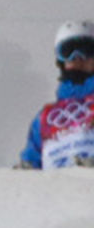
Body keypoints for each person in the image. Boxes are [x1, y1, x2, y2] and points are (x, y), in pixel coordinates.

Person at [19, 20, 94, 169]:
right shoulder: (45, 117)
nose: (77, 58)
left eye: (86, 51)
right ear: (61, 60)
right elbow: (31, 160)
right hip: (56, 188)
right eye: (69, 51)